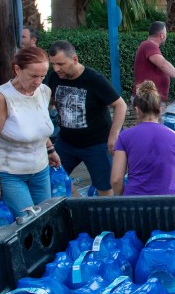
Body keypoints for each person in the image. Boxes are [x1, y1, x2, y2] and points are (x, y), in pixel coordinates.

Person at [0, 46, 59, 217]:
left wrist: (50, 149)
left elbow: (39, 125)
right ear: (17, 69)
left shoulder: (44, 91)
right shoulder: (1, 97)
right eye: (33, 76)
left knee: (46, 218)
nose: (38, 82)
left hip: (40, 169)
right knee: (29, 220)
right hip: (11, 174)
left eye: (42, 76)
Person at [47, 40, 128, 196]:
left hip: (97, 144)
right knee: (52, 177)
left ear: (75, 59)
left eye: (61, 64)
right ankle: (80, 209)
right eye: (53, 64)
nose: (56, 68)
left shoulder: (94, 79)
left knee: (104, 187)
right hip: (66, 142)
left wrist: (114, 135)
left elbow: (120, 105)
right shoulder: (54, 77)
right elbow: (49, 102)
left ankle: (105, 218)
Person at [111, 80, 175, 196]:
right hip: (169, 205)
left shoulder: (124, 137)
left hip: (135, 203)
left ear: (137, 110)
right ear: (160, 109)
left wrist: (123, 198)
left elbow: (116, 180)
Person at [133, 21, 175, 102]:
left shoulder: (148, 46)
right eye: (165, 33)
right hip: (147, 100)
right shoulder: (149, 45)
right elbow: (163, 64)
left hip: (150, 99)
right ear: (162, 35)